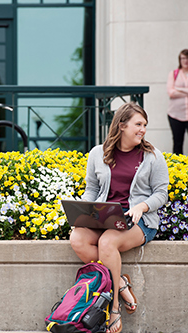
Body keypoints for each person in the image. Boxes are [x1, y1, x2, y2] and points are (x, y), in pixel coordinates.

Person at [69, 102, 169, 333]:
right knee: (78, 239)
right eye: (138, 124)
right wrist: (84, 213)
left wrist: (142, 207)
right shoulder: (98, 153)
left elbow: (161, 194)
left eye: (145, 125)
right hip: (105, 218)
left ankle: (113, 308)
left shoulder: (152, 156)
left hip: (139, 221)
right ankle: (120, 281)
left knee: (107, 242)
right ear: (122, 126)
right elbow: (92, 189)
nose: (143, 129)